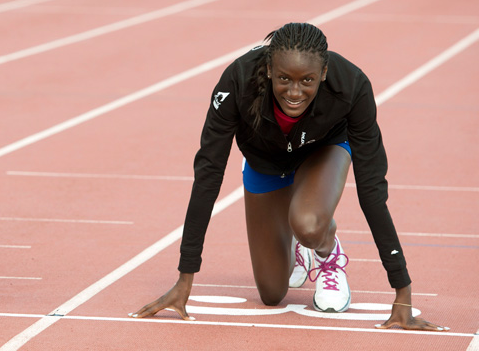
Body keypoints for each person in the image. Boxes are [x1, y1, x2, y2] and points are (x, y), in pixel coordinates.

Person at [130, 22, 446, 331]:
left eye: (307, 80)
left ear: (323, 74)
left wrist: (402, 291)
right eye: (284, 78)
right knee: (271, 294)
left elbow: (372, 189)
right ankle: (300, 242)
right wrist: (186, 277)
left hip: (324, 148)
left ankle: (325, 250)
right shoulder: (238, 80)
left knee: (307, 224)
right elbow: (208, 172)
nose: (294, 93)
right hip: (265, 160)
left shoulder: (351, 85)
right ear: (268, 69)